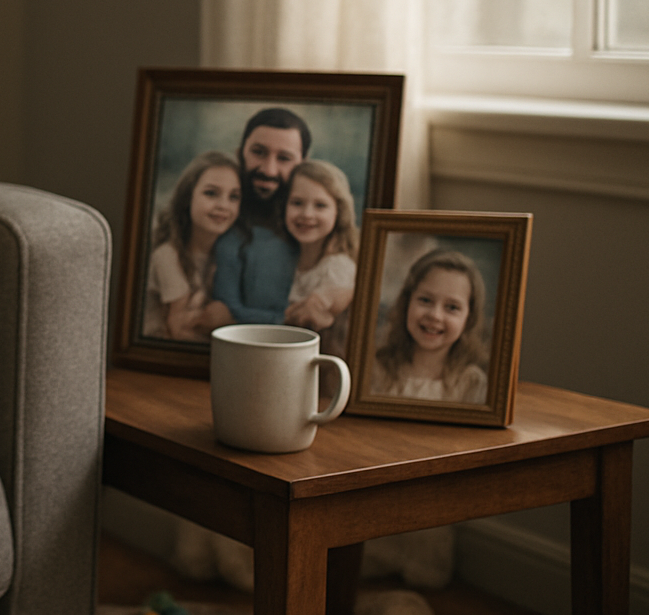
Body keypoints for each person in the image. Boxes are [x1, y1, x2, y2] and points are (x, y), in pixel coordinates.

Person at [200, 107, 310, 331]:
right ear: (240, 153)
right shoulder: (224, 228)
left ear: (303, 164)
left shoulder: (314, 229)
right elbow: (223, 312)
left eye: (284, 158)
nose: (269, 170)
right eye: (258, 152)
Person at [141, 152, 241, 341]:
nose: (223, 205)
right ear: (188, 197)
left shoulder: (226, 258)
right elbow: (178, 331)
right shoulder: (167, 255)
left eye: (234, 197)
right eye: (211, 193)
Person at [370, 249, 490, 404]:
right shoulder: (375, 370)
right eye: (425, 300)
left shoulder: (473, 384)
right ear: (406, 303)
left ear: (469, 318)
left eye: (452, 307)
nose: (435, 315)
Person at [282, 159, 359, 357]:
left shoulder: (338, 267)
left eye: (320, 205)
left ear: (338, 212)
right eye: (297, 203)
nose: (307, 214)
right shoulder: (283, 256)